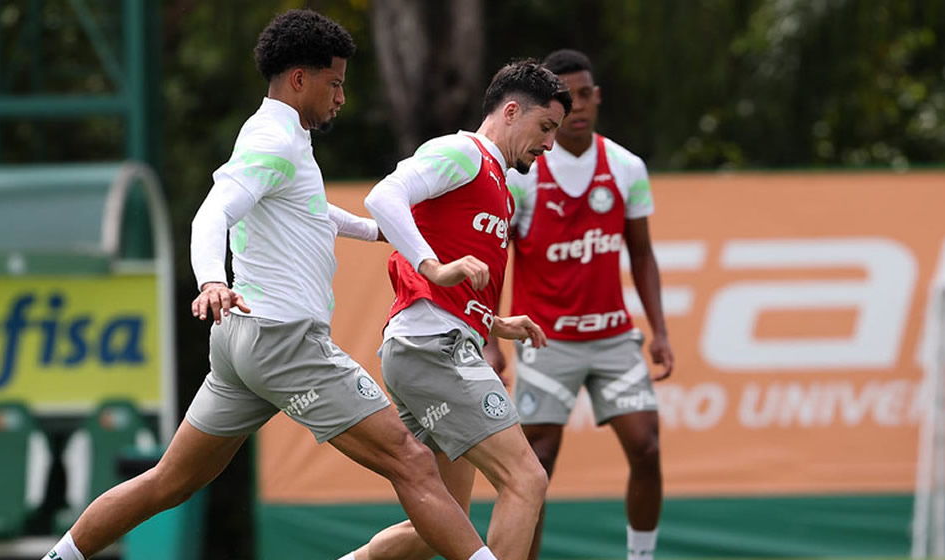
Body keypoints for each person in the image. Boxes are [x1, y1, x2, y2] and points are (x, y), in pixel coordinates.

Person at [42, 10, 498, 560]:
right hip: (283, 341)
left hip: (243, 346)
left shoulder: (282, 137)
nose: (341, 98)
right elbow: (210, 215)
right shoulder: (273, 140)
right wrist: (211, 279)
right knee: (413, 461)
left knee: (170, 481)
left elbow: (308, 210)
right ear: (299, 79)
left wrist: (378, 230)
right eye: (335, 83)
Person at [339, 60, 572, 560]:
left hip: (426, 345)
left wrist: (495, 321)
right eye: (545, 127)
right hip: (433, 347)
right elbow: (384, 197)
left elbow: (452, 273)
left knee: (442, 525)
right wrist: (434, 267)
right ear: (511, 111)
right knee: (527, 479)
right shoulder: (464, 152)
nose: (550, 144)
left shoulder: (499, 186)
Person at [484, 48, 674, 560]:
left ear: (597, 96)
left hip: (613, 337)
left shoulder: (626, 166)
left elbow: (642, 255)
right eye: (568, 98)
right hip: (548, 340)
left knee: (648, 446)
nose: (580, 105)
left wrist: (659, 330)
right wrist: (491, 339)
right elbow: (494, 258)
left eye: (587, 93)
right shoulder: (523, 174)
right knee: (537, 465)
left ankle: (641, 555)